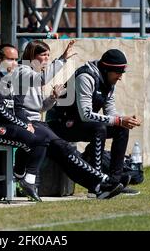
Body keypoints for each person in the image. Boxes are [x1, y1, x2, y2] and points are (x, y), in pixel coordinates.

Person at [14, 41, 123, 199]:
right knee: (65, 149)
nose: (47, 59)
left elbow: (40, 107)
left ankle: (97, 185)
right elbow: (43, 79)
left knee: (65, 152)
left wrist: (52, 98)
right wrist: (62, 59)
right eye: (43, 55)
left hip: (37, 123)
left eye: (48, 55)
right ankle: (102, 181)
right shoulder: (23, 70)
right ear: (31, 56)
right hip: (28, 124)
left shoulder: (33, 74)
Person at [47, 49, 142, 196]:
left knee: (121, 128)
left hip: (80, 123)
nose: (120, 77)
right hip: (60, 123)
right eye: (118, 73)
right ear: (106, 69)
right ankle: (96, 184)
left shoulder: (109, 80)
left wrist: (123, 121)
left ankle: (113, 182)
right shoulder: (86, 77)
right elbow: (86, 115)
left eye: (122, 73)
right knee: (100, 128)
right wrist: (119, 119)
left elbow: (111, 113)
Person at [0, 44, 48, 202]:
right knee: (33, 140)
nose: (15, 63)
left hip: (6, 124)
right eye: (10, 59)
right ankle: (19, 178)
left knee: (42, 137)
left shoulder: (10, 76)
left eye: (16, 59)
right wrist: (24, 126)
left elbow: (16, 106)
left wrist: (26, 122)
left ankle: (25, 180)